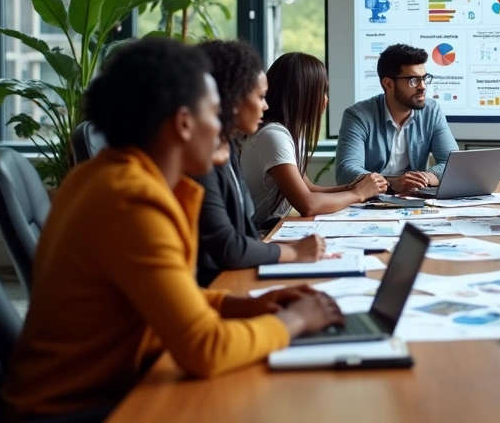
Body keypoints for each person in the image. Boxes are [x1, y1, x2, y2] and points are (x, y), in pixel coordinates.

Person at [3, 38, 344, 420]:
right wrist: (295, 320)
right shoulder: (133, 201)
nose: (225, 128)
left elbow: (177, 292)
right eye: (217, 114)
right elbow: (205, 349)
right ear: (184, 124)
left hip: (111, 385)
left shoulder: (103, 176)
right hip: (80, 408)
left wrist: (247, 304)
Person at [193, 41, 330, 287]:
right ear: (230, 100)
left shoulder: (227, 149)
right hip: (219, 284)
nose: (265, 105)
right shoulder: (202, 164)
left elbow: (240, 237)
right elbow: (229, 247)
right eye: (260, 96)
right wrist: (294, 252)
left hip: (234, 276)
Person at [241, 52, 387, 223]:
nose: (326, 100)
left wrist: (353, 187)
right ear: (303, 94)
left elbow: (309, 189)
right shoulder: (273, 136)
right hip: (256, 235)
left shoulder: (288, 133)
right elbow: (308, 204)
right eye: (323, 91)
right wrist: (358, 194)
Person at [336, 43, 458, 193]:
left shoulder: (431, 111)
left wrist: (425, 178)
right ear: (388, 84)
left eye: (424, 78)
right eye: (413, 80)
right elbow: (346, 172)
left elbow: (453, 163)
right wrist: (392, 183)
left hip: (415, 200)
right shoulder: (358, 116)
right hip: (371, 202)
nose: (423, 86)